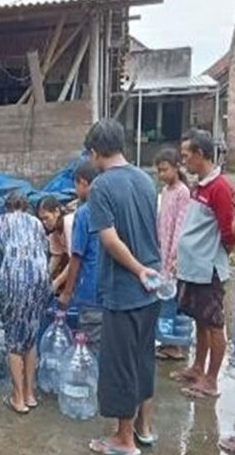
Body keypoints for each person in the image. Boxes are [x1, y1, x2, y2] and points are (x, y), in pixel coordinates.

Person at [84, 119, 161, 455]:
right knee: (144, 358)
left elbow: (110, 240)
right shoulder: (146, 179)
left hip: (125, 288)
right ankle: (145, 429)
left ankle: (123, 439)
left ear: (94, 152)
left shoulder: (101, 186)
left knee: (120, 364)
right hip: (152, 288)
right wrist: (149, 271)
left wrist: (138, 269)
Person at [173, 130, 234, 400]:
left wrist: (221, 253)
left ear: (200, 155)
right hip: (193, 267)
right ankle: (198, 367)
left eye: (187, 156)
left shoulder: (220, 187)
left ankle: (211, 379)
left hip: (207, 267)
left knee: (214, 323)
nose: (184, 161)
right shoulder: (200, 186)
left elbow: (228, 231)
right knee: (200, 319)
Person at [0, 192, 50, 414]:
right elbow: (44, 250)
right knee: (30, 337)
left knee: (14, 340)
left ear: (6, 207)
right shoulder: (36, 223)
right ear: (26, 207)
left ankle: (17, 398)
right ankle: (30, 394)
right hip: (39, 278)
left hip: (15, 280)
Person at [58, 161, 102, 354]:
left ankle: (94, 383)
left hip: (90, 290)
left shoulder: (83, 213)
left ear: (83, 183)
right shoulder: (111, 206)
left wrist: (67, 293)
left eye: (75, 185)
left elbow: (77, 256)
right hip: (112, 291)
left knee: (90, 348)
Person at [154, 148, 190, 361]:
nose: (161, 175)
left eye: (164, 170)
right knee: (165, 301)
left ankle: (175, 345)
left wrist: (174, 257)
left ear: (176, 167)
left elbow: (181, 227)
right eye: (159, 171)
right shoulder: (166, 192)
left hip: (174, 258)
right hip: (163, 254)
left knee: (174, 303)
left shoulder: (182, 192)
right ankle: (167, 341)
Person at [37, 195, 74, 293]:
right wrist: (44, 277)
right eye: (41, 220)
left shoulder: (69, 223)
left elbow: (74, 260)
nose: (44, 222)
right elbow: (56, 255)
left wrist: (56, 282)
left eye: (46, 218)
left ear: (57, 212)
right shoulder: (54, 232)